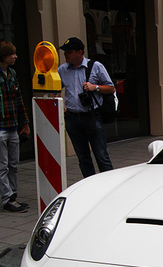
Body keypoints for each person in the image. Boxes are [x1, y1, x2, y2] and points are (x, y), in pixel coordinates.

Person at [0, 40, 30, 212]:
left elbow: (19, 100)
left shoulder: (12, 73)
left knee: (14, 164)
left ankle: (13, 196)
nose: (15, 56)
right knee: (2, 165)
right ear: (2, 56)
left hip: (12, 126)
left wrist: (25, 123)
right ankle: (7, 199)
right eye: (12, 54)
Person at [57, 37, 115, 178]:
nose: (65, 55)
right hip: (72, 118)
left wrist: (94, 87)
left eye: (69, 52)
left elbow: (111, 88)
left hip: (91, 116)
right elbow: (55, 89)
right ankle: (90, 185)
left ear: (79, 52)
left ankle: (109, 184)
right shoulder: (62, 70)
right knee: (83, 158)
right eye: (65, 52)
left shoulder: (95, 66)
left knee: (101, 156)